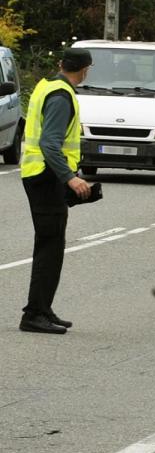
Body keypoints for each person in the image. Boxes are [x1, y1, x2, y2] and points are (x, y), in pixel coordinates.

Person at [19, 48, 93, 334]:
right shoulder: (61, 96)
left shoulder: (47, 85)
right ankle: (34, 314)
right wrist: (70, 178)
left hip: (39, 175)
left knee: (51, 244)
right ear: (86, 69)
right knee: (50, 247)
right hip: (47, 177)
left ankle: (43, 308)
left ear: (61, 64)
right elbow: (50, 143)